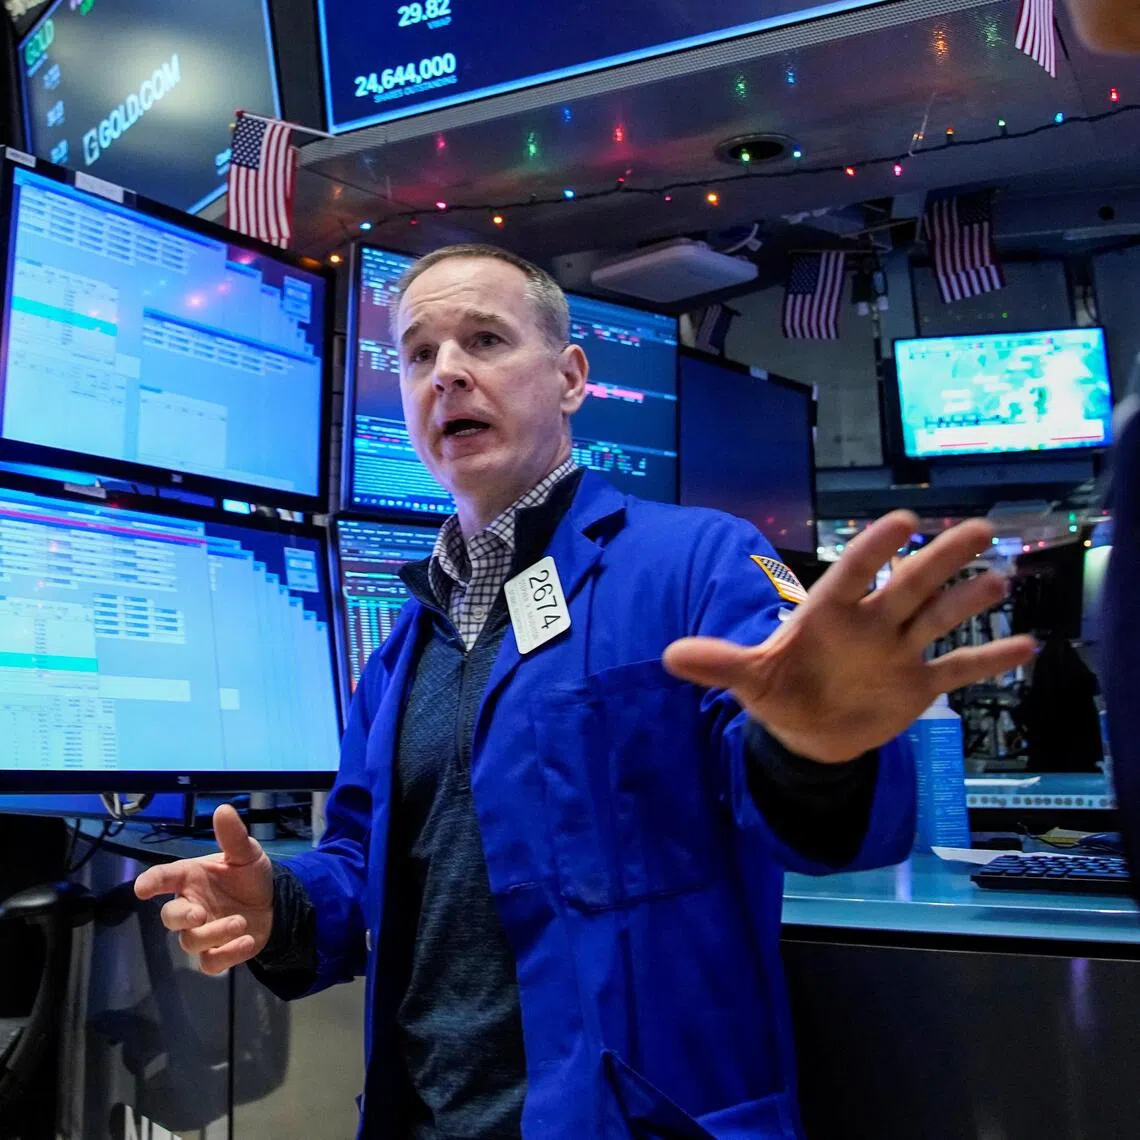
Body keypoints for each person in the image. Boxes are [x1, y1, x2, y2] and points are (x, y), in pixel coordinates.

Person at [135, 245, 1035, 1139]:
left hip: (641, 1121)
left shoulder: (699, 561)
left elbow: (799, 799)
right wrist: (280, 907)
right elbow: (361, 868)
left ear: (570, 379)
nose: (446, 373)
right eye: (418, 353)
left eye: (484, 339)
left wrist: (814, 744)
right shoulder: (404, 646)